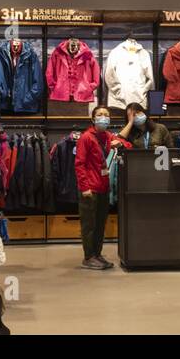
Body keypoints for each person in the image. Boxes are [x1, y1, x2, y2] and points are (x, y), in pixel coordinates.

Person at [75, 105, 131, 270]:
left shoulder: (106, 136)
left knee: (100, 224)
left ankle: (97, 254)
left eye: (106, 115)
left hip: (103, 187)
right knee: (89, 225)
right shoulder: (86, 138)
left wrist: (118, 145)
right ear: (93, 119)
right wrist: (85, 187)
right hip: (90, 189)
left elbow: (126, 144)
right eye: (100, 115)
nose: (103, 117)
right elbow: (79, 164)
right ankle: (88, 257)